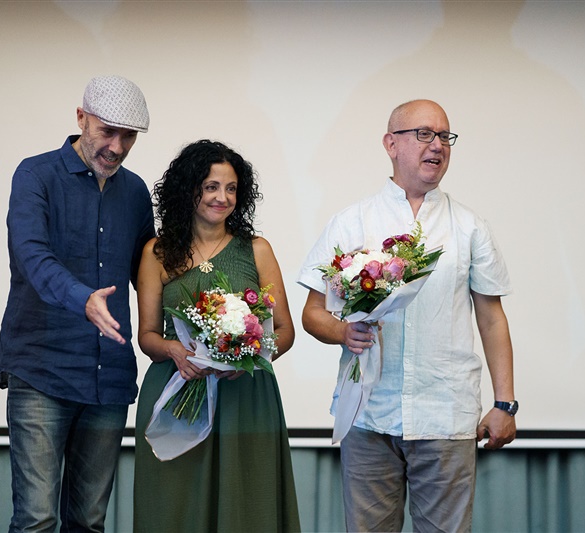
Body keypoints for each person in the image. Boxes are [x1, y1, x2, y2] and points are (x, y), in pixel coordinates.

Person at [298, 99, 517, 532]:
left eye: (444, 136)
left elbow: (491, 318)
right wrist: (343, 332)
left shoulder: (469, 226)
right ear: (390, 144)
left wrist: (504, 403)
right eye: (424, 134)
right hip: (368, 414)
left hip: (445, 415)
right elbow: (312, 314)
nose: (437, 145)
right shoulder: (351, 222)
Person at [0, 75, 155, 532]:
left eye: (129, 136)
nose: (117, 147)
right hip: (42, 371)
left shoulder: (136, 193)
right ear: (81, 117)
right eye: (107, 132)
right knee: (37, 520)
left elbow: (149, 274)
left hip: (109, 378)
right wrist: (84, 299)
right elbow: (32, 257)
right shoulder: (35, 175)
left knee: (89, 522)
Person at [133, 139, 300, 532]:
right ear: (188, 189)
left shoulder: (257, 249)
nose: (222, 198)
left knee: (248, 508)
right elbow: (147, 336)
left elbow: (285, 330)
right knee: (175, 508)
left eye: (231, 189)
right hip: (178, 392)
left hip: (247, 396)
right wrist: (174, 350)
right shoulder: (157, 252)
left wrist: (250, 355)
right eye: (211, 187)